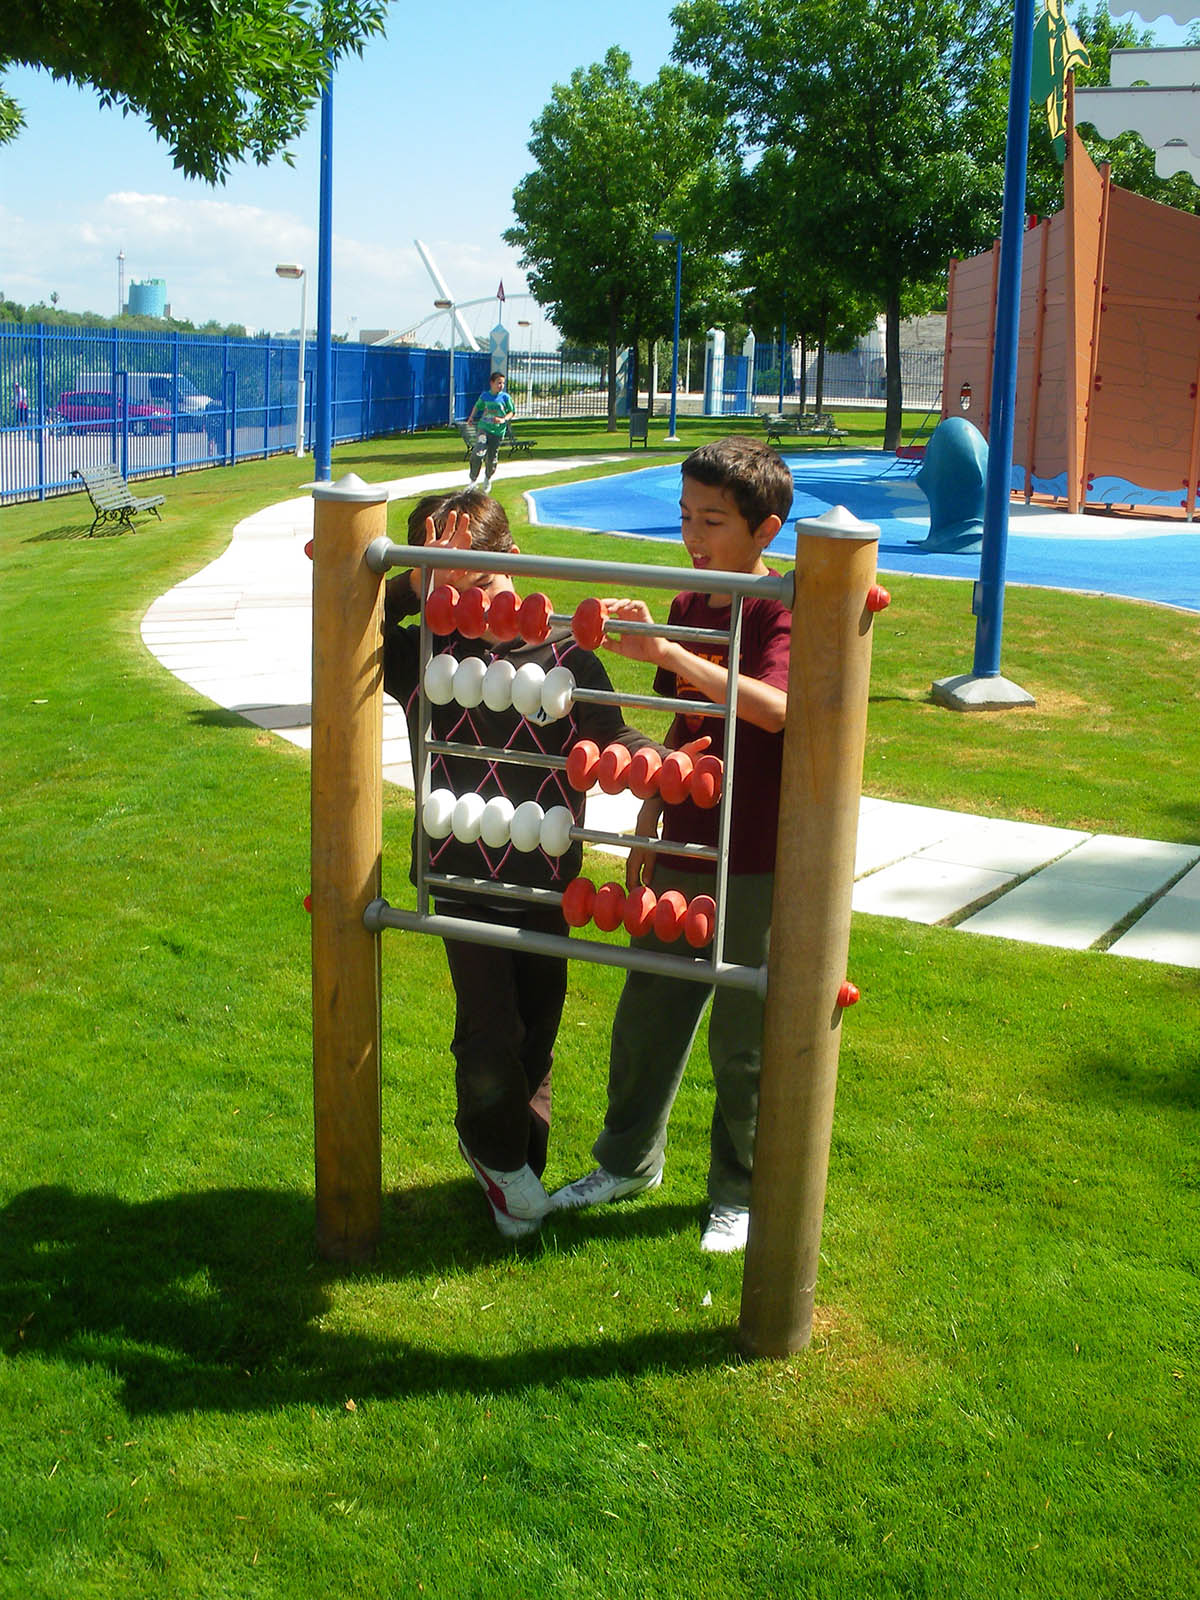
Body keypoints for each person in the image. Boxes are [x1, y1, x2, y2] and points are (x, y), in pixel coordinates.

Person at [381, 490, 697, 1242]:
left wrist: (661, 765)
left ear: (517, 566)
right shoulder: (423, 652)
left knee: (536, 1033)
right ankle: (497, 1156)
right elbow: (340, 623)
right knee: (489, 1030)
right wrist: (412, 586)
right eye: (450, 591)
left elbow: (610, 732)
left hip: (548, 877)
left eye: (483, 587)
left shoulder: (567, 653)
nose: (471, 608)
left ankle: (515, 1165)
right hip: (459, 871)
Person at [552, 436, 794, 1254]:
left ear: (764, 531)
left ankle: (740, 1191)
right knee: (647, 1010)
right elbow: (691, 724)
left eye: (714, 520)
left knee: (743, 1037)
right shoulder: (695, 597)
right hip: (688, 836)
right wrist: (653, 809)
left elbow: (771, 708)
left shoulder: (778, 604)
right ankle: (627, 1161)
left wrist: (668, 652)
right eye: (686, 515)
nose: (694, 534)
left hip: (757, 847)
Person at [465, 372, 514, 492]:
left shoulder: (505, 398)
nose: (501, 385)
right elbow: (477, 406)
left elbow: (511, 412)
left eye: (503, 383)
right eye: (498, 383)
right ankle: (473, 481)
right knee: (478, 453)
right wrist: (471, 417)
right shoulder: (485, 396)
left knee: (492, 458)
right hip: (484, 428)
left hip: (497, 432)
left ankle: (487, 477)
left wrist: (503, 420)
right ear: (492, 383)